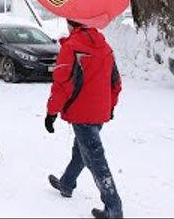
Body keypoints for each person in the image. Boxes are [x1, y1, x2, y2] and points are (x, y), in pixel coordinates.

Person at [45, 19, 123, 219]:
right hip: (100, 111)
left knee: (96, 159)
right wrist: (110, 106)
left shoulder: (71, 47)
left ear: (72, 25)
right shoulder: (105, 47)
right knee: (81, 150)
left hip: (81, 112)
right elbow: (115, 82)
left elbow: (62, 84)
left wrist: (52, 112)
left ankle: (114, 208)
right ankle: (66, 184)